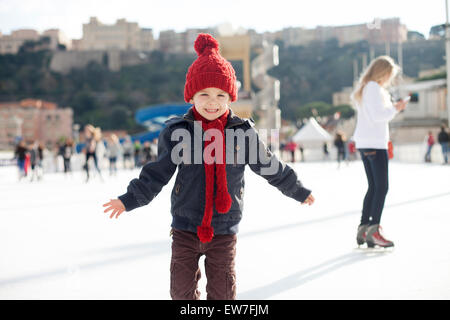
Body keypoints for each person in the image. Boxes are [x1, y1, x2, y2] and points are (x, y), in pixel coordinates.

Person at [102, 34, 315, 300]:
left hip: (224, 229)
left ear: (230, 97)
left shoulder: (242, 133)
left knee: (224, 294)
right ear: (191, 96)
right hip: (185, 226)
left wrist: (297, 189)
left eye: (220, 94)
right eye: (204, 94)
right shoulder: (178, 131)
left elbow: (268, 164)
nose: (212, 101)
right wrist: (129, 199)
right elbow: (157, 173)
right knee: (181, 293)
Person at [351, 55, 408, 248]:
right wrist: (395, 108)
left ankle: (364, 227)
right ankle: (373, 230)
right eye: (390, 75)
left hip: (366, 142)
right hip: (375, 143)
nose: (390, 79)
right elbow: (378, 116)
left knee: (374, 187)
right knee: (381, 187)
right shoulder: (374, 88)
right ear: (383, 73)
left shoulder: (365, 88)